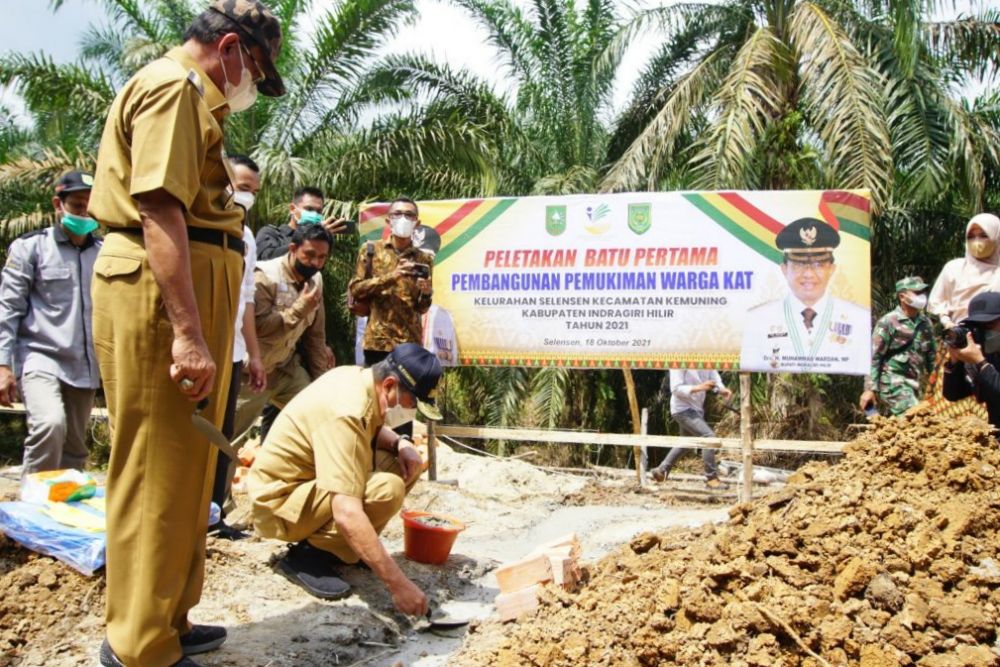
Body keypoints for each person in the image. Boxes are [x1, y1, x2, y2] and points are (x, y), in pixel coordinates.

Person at [86, 2, 285, 665]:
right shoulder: (173, 88)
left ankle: (169, 612)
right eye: (254, 67)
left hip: (190, 288)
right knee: (155, 466)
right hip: (156, 292)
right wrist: (188, 335)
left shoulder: (198, 99)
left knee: (190, 467)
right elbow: (160, 206)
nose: (253, 82)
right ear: (228, 47)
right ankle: (139, 642)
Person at [247, 343, 441, 611]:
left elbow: (369, 427)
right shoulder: (347, 410)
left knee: (403, 465)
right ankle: (309, 556)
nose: (412, 412)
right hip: (279, 503)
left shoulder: (359, 380)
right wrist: (399, 585)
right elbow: (346, 512)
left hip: (307, 486)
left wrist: (401, 444)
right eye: (412, 404)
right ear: (388, 385)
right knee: (388, 488)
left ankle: (345, 548)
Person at [0, 171, 102, 477]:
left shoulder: (105, 253)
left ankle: (59, 516)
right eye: (77, 204)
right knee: (49, 424)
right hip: (40, 357)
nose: (84, 212)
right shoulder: (31, 248)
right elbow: (9, 308)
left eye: (90, 206)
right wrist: (3, 365)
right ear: (58, 204)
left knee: (74, 449)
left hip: (85, 365)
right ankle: (32, 509)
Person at [231, 224, 335, 438]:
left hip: (286, 369)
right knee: (231, 439)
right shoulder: (265, 277)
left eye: (323, 257)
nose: (316, 263)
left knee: (319, 417)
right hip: (252, 373)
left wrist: (320, 384)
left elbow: (315, 336)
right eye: (310, 255)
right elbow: (258, 328)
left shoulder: (316, 280)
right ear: (293, 248)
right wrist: (299, 309)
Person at [209, 154, 267, 539]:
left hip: (231, 354)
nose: (247, 197)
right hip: (202, 352)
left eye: (253, 191)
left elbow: (246, 300)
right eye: (242, 187)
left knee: (222, 439)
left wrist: (254, 353)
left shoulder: (246, 238)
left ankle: (213, 516)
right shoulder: (201, 226)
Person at [348, 198, 433, 438]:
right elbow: (357, 288)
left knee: (402, 408)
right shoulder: (371, 250)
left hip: (409, 346)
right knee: (374, 403)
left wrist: (425, 293)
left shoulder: (424, 259)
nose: (403, 219)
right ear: (388, 220)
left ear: (417, 223)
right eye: (398, 214)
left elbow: (423, 307)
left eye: (409, 215)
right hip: (378, 340)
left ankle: (399, 458)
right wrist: (393, 276)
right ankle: (370, 459)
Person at [740, 218, 870, 374]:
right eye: (799, 265)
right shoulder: (758, 319)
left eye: (818, 265)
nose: (808, 274)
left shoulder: (858, 318)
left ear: (832, 269)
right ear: (784, 269)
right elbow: (749, 368)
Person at [859, 276, 936, 416]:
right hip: (892, 382)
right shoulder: (889, 322)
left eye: (923, 292)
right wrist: (869, 389)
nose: (922, 296)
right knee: (916, 416)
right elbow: (874, 357)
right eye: (917, 293)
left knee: (916, 421)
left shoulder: (926, 324)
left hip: (914, 384)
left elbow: (932, 358)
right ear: (902, 296)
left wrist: (936, 386)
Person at [650, 370, 731, 489]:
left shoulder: (706, 359)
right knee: (708, 437)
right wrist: (699, 387)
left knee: (686, 443)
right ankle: (711, 478)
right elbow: (676, 389)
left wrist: (721, 389)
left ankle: (661, 471)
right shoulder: (679, 360)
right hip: (682, 409)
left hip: (695, 409)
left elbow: (714, 377)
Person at [929, 213, 1000, 329]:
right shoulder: (954, 268)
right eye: (971, 237)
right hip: (959, 335)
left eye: (984, 235)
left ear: (996, 237)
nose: (977, 241)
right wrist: (947, 323)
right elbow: (938, 302)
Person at [942, 291, 1000, 430]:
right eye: (977, 326)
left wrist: (981, 363)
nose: (982, 332)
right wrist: (955, 362)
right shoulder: (987, 355)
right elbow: (953, 394)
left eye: (988, 325)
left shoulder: (981, 359)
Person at [255, 186, 346, 261]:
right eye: (309, 209)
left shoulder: (322, 240)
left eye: (319, 211)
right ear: (292, 209)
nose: (314, 214)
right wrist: (309, 237)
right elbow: (267, 258)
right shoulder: (271, 233)